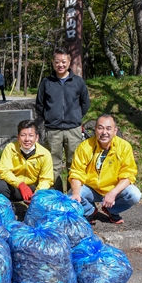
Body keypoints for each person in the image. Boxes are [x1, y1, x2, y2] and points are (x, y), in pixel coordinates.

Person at [69, 114, 142, 224]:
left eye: (108, 128)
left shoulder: (124, 147)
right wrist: (75, 192)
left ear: (115, 131)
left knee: (134, 194)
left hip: (114, 188)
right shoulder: (84, 146)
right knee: (71, 195)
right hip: (91, 188)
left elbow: (128, 174)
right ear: (95, 129)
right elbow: (76, 172)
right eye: (100, 128)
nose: (104, 132)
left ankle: (111, 210)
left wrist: (113, 192)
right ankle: (90, 211)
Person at [35, 47, 90, 192]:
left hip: (73, 130)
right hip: (53, 130)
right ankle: (56, 196)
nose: (60, 65)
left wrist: (76, 117)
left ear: (69, 62)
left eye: (63, 61)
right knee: (53, 166)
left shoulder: (78, 82)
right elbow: (39, 104)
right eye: (57, 61)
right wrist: (49, 117)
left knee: (75, 164)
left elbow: (85, 103)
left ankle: (74, 196)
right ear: (52, 63)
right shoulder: (47, 82)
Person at [0, 120, 54, 206]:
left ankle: (35, 209)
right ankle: (9, 209)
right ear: (18, 137)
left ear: (37, 137)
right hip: (16, 187)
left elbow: (46, 179)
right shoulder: (10, 148)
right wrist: (20, 184)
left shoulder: (44, 154)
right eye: (23, 135)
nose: (27, 139)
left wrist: (37, 194)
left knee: (50, 191)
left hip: (34, 188)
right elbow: (4, 171)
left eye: (31, 135)